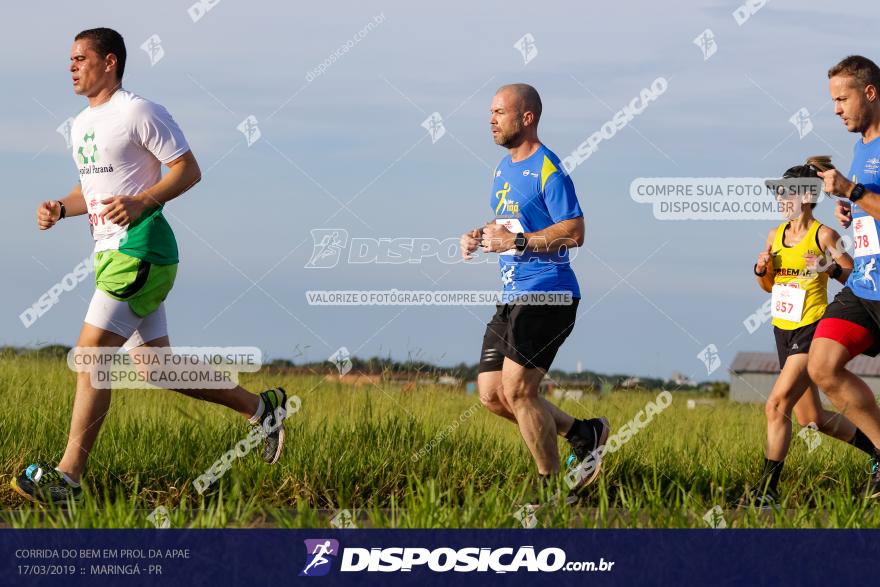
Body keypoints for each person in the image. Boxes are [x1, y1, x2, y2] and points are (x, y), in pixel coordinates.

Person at [11, 28, 288, 505]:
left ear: (110, 61)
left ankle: (68, 479)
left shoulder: (139, 111)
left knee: (91, 356)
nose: (72, 66)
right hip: (111, 254)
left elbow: (187, 169)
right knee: (155, 366)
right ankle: (261, 408)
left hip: (141, 250)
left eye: (81, 58)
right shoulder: (81, 124)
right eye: (70, 59)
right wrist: (60, 206)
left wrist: (142, 203)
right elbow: (93, 190)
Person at [459, 83, 609, 502]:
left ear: (527, 118)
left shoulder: (549, 168)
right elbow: (511, 222)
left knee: (520, 390)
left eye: (499, 112)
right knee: (491, 394)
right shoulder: (502, 169)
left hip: (549, 293)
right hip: (511, 295)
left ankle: (553, 491)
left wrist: (519, 244)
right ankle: (584, 433)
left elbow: (575, 232)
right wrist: (480, 234)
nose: (491, 120)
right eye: (490, 112)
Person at [747, 156, 874, 508]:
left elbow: (855, 277)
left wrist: (828, 266)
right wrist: (762, 269)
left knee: (775, 406)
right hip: (783, 329)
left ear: (805, 196)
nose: (779, 200)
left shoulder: (825, 235)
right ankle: (876, 448)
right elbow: (769, 286)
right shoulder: (776, 235)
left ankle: (766, 492)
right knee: (812, 420)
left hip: (813, 327)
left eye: (786, 193)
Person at [807, 55, 880, 499]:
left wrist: (853, 191)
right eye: (833, 100)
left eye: (842, 98)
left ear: (870, 92)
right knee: (822, 365)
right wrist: (852, 209)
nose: (836, 109)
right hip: (866, 284)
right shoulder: (860, 148)